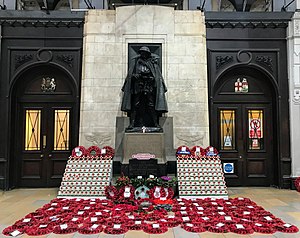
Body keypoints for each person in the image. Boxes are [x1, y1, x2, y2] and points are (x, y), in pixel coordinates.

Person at [121, 46, 168, 131]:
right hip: (138, 86)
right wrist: (134, 76)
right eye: (142, 52)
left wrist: (151, 78)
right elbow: (130, 75)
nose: (143, 54)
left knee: (151, 105)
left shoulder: (152, 63)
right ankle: (132, 123)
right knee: (136, 105)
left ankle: (155, 123)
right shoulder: (136, 62)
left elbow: (156, 76)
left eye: (145, 53)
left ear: (148, 54)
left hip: (148, 87)